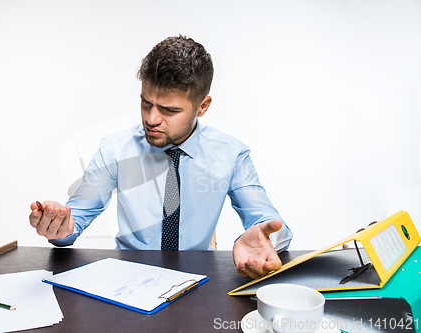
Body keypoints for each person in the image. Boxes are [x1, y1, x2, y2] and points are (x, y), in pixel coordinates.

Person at [29, 36, 292, 279]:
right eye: (146, 102)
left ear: (203, 106)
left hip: (198, 278)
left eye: (169, 109)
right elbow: (76, 218)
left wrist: (266, 239)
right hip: (127, 279)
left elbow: (270, 224)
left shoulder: (231, 154)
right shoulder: (114, 150)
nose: (151, 119)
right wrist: (59, 227)